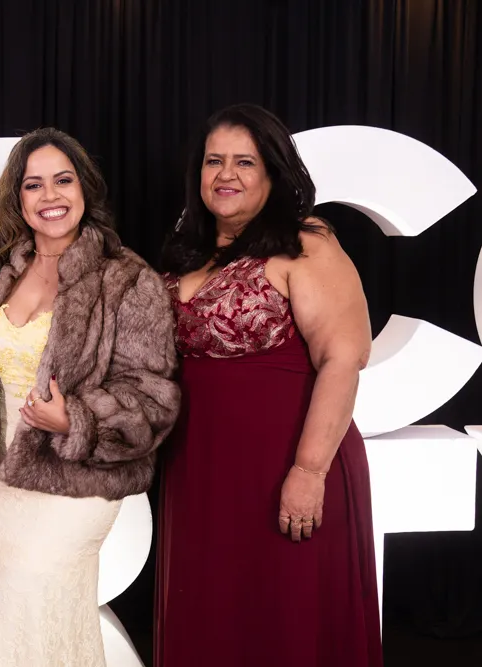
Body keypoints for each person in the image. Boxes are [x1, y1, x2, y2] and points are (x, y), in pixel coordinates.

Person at [154, 103, 383, 667]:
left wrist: (308, 472)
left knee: (285, 620)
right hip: (201, 471)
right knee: (215, 621)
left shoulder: (306, 243)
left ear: (273, 173)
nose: (225, 174)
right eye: (214, 161)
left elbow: (343, 357)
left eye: (244, 162)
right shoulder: (188, 251)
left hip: (287, 466)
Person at [0, 127, 181, 667]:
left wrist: (76, 421)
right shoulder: (2, 271)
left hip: (73, 482)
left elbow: (154, 398)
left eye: (63, 180)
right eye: (33, 185)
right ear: (17, 198)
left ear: (85, 187)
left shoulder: (126, 279)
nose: (50, 196)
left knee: (36, 605)